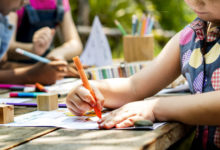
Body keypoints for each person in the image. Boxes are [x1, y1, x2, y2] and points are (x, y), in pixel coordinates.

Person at [66, 0, 220, 149]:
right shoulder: (189, 37)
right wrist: (93, 90)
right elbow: (134, 86)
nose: (195, 1)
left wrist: (155, 108)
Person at [0, 0, 72, 85]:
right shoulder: (7, 12)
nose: (26, 2)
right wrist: (30, 74)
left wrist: (54, 59)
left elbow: (3, 61)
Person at [7, 0, 82, 62]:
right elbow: (6, 46)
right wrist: (33, 49)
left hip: (47, 66)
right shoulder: (17, 2)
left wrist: (57, 54)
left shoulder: (61, 2)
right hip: (18, 68)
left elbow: (76, 44)